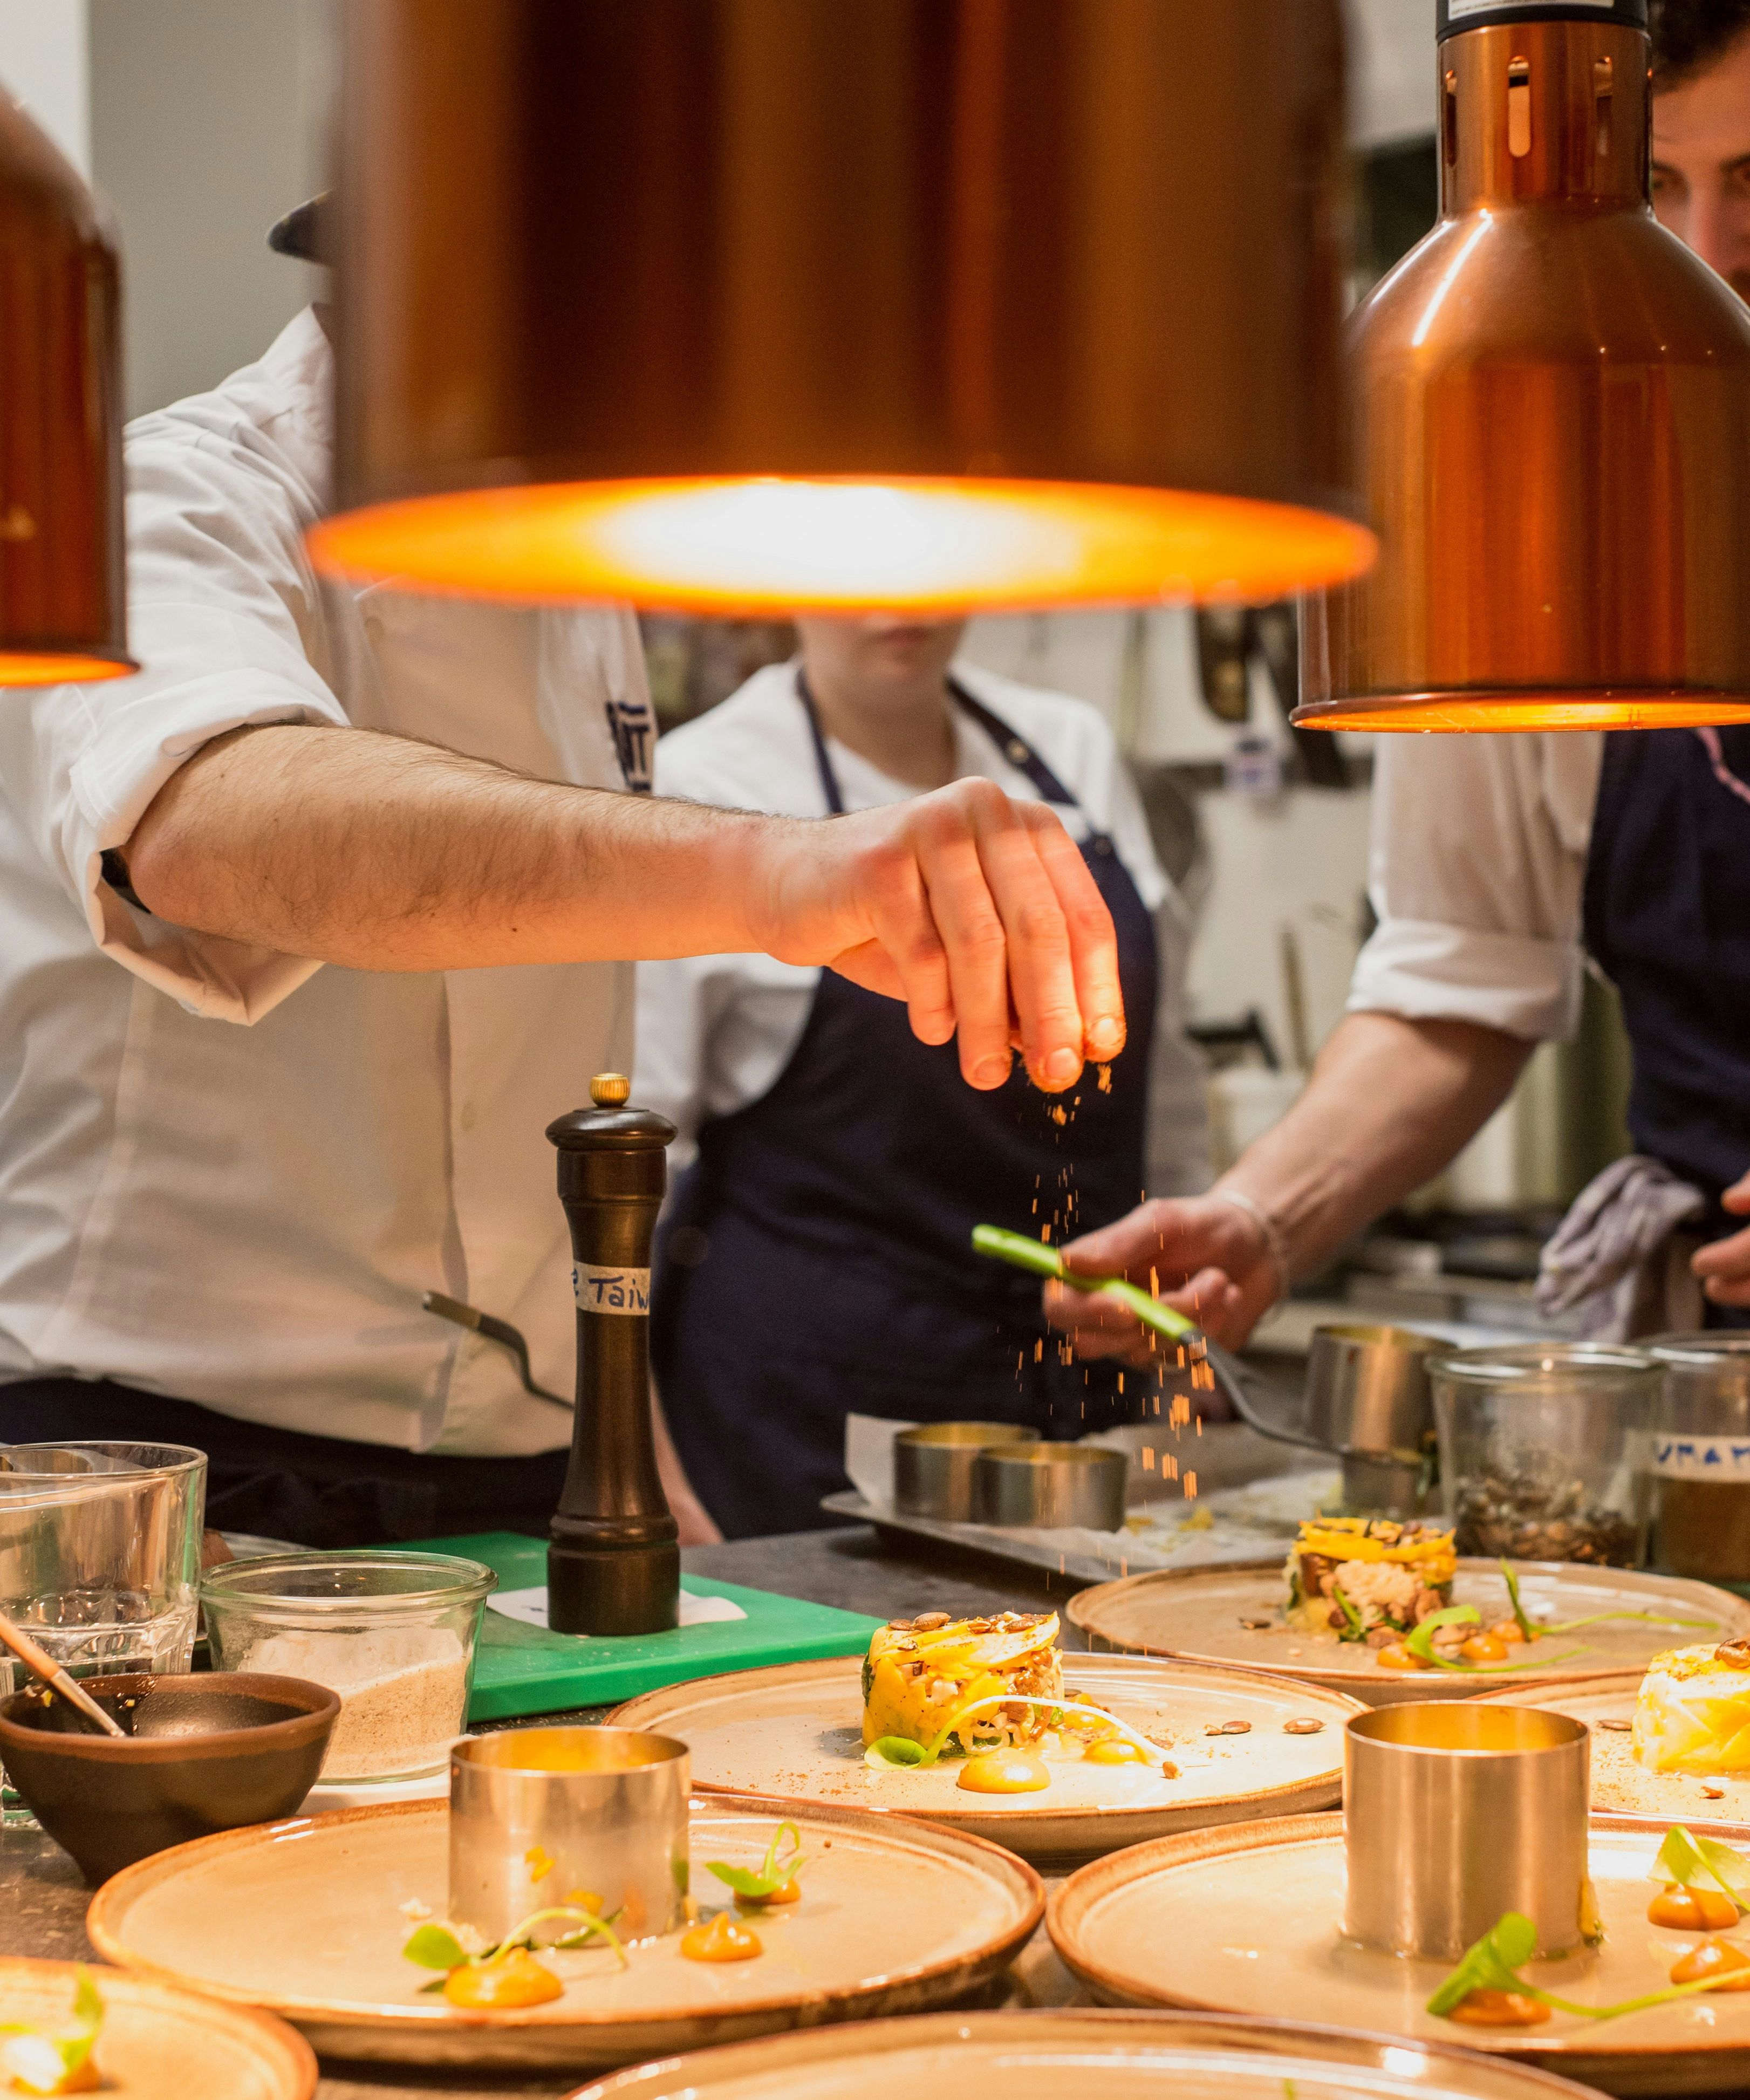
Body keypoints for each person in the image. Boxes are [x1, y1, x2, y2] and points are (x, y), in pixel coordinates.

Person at [0, 213, 1124, 1550]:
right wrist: (777, 868)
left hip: (524, 1472)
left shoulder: (568, 585)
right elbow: (212, 825)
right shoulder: (169, 502)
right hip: (167, 1470)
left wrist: (641, 1465)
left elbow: (566, 1104)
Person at [1046, 0, 1750, 1364]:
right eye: (1648, 190)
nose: (1706, 261)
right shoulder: (1522, 520)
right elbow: (1455, 981)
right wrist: (1264, 1214)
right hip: (1704, 1386)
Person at [635, 618, 1210, 1537]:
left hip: (1084, 1410)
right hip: (811, 1426)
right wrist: (649, 1477)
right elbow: (626, 1179)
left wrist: (1181, 1294)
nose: (891, 606)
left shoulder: (1072, 752)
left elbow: (1165, 1073)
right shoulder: (705, 784)